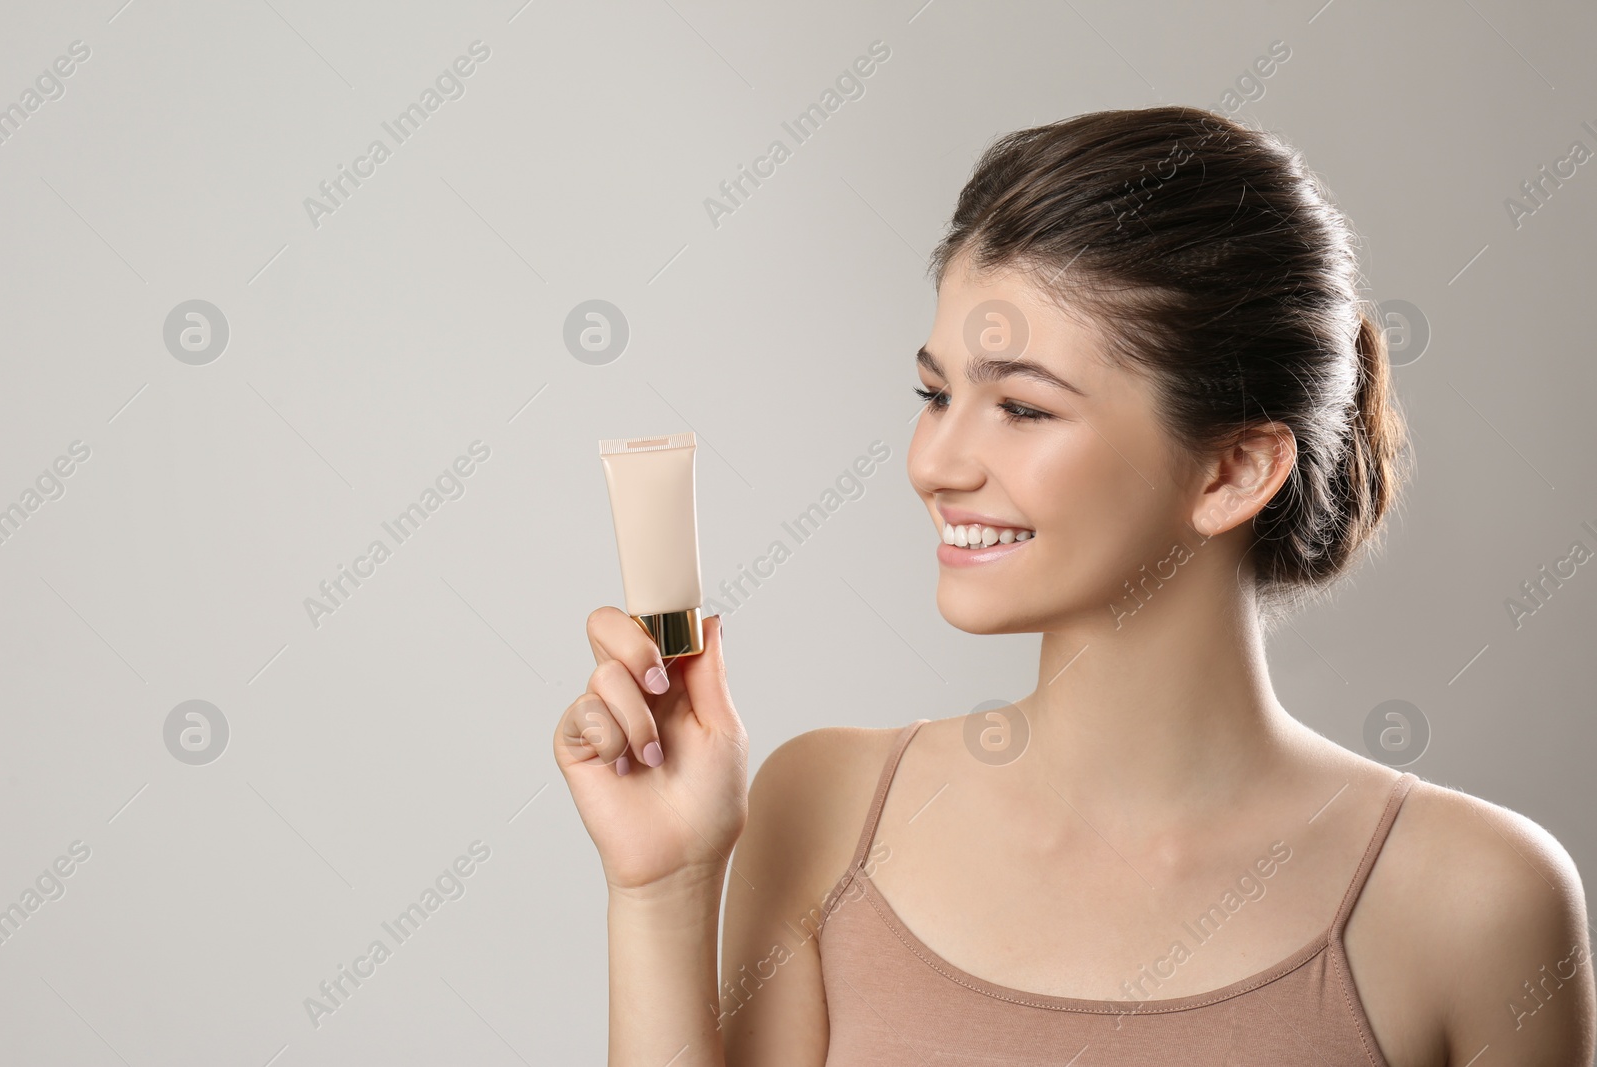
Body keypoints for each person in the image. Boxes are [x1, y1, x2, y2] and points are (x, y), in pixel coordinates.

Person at [554, 106, 1595, 1066]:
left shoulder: (1475, 898)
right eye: (936, 393)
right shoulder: (824, 810)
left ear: (1233, 469)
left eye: (1022, 408)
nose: (934, 462)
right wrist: (663, 888)